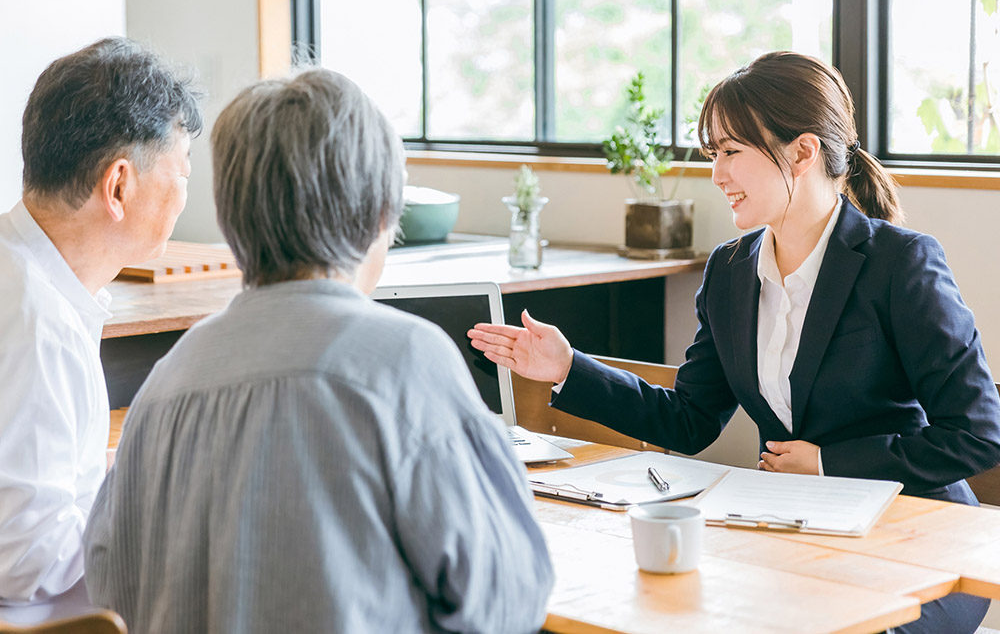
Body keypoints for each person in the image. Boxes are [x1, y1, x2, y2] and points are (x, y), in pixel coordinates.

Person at [468, 51, 1000, 633]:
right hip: (790, 535)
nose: (717, 175)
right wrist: (568, 367)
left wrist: (827, 463)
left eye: (731, 152)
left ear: (802, 152)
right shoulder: (729, 271)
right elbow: (689, 420)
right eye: (713, 154)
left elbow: (977, 434)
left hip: (916, 544)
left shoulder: (900, 263)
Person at [83, 68, 554, 633]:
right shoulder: (405, 360)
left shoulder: (168, 380)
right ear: (381, 214)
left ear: (231, 219)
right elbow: (507, 597)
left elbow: (109, 583)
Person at [0, 38, 201, 611]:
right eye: (183, 172)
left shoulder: (26, 276)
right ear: (119, 186)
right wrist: (160, 506)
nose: (184, 196)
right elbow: (28, 560)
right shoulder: (40, 324)